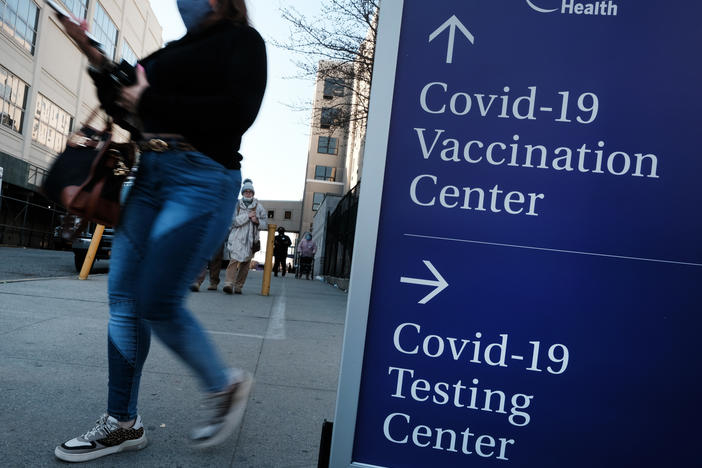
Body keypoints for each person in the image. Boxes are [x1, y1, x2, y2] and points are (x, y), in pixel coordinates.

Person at [53, 0, 267, 462]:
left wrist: (147, 99)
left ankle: (223, 383)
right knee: (125, 302)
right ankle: (122, 423)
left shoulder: (242, 43)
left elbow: (237, 112)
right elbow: (126, 106)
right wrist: (91, 52)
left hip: (202, 177)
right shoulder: (170, 53)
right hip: (150, 176)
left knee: (157, 301)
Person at [223, 179, 267, 294]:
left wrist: (256, 220)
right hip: (237, 238)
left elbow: (265, 223)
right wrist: (247, 216)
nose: (248, 193)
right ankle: (228, 284)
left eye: (250, 192)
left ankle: (239, 286)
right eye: (246, 191)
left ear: (253, 193)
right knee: (233, 261)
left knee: (246, 264)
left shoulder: (259, 207)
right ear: (242, 193)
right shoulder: (236, 205)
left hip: (251, 240)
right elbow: (232, 222)